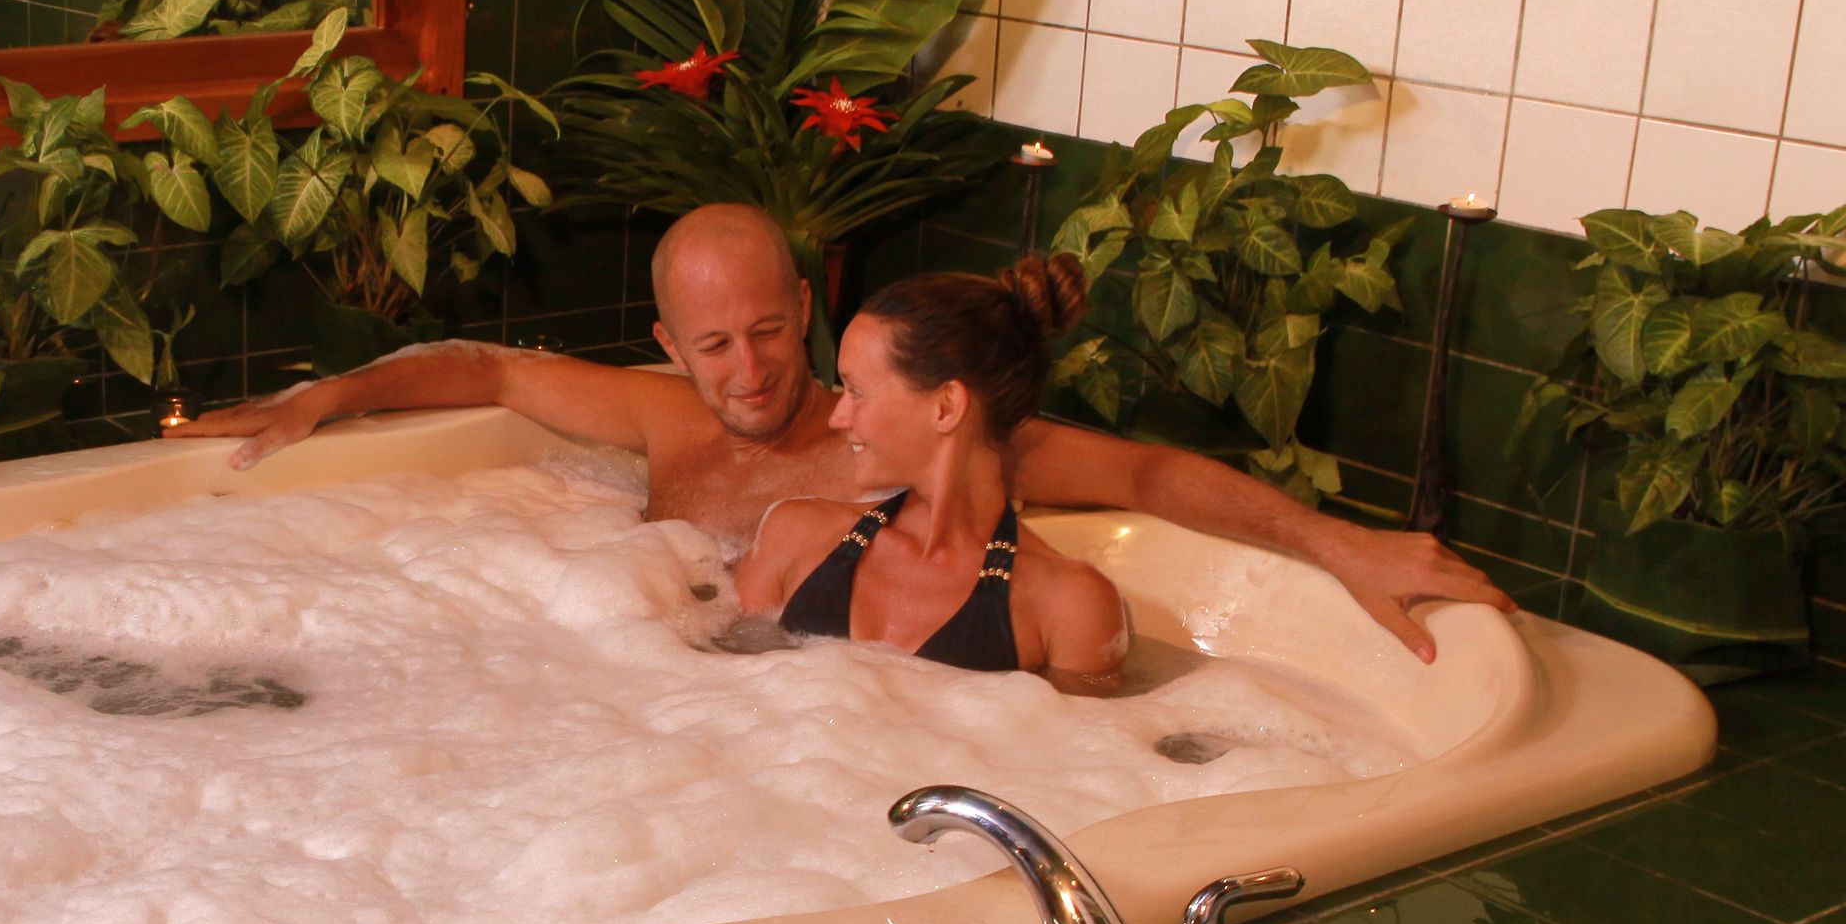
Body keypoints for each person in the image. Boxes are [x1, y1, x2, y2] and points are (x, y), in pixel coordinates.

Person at [167, 200, 1512, 661]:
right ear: (668, 351)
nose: (751, 371)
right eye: (714, 346)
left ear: (805, 309)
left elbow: (1154, 474)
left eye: (769, 331)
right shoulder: (658, 422)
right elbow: (494, 371)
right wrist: (326, 397)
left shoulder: (904, 444)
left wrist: (1332, 541)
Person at [733, 260, 1128, 691]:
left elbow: (1083, 751)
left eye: (856, 391)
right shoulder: (793, 535)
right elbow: (714, 696)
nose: (838, 417)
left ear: (945, 407)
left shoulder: (1070, 605)